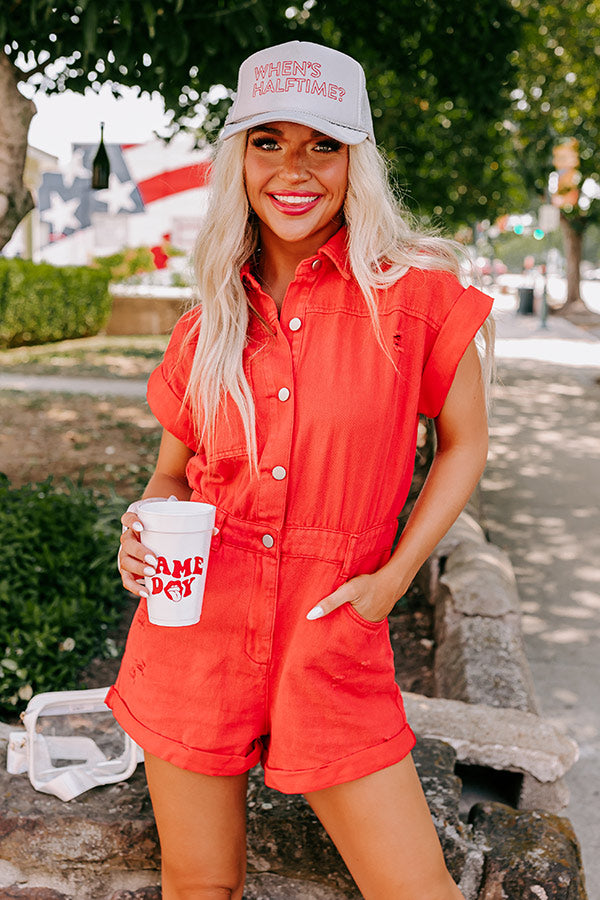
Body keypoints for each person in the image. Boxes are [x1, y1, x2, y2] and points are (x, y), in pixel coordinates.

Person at [109, 40, 494, 900]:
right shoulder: (204, 321)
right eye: (267, 140)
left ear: (356, 159)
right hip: (195, 632)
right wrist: (141, 529)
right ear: (238, 156)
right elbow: (170, 479)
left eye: (323, 143)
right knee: (200, 885)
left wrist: (394, 579)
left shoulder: (416, 298)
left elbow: (464, 442)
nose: (295, 167)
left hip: (334, 630)